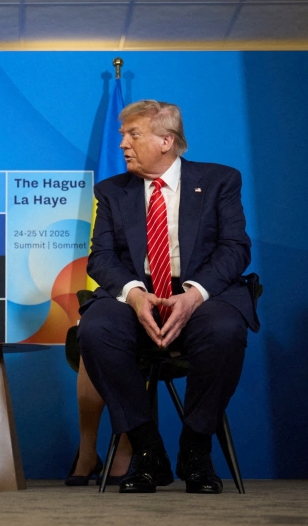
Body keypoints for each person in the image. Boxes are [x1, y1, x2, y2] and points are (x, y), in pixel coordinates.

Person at [78, 100, 258, 494]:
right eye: (123, 134)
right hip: (138, 296)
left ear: (166, 140)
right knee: (94, 328)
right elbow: (102, 259)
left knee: (226, 328)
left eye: (132, 135)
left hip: (199, 296)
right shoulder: (111, 192)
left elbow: (235, 248)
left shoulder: (219, 181)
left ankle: (196, 448)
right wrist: (134, 295)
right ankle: (146, 450)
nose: (122, 143)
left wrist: (193, 295)